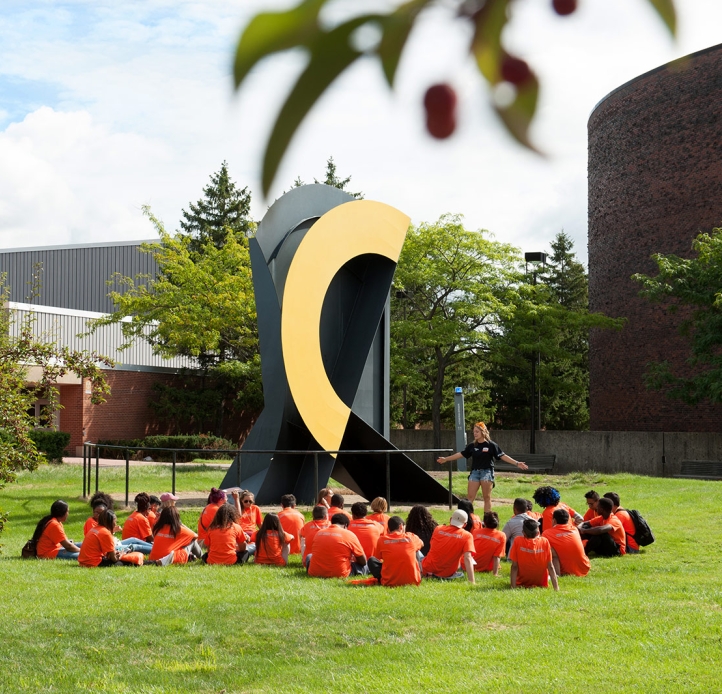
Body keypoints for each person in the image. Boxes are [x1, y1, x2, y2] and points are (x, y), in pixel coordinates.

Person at [436, 422, 528, 512]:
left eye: (477, 431)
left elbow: (502, 455)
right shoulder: (472, 445)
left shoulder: (491, 445)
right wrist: (446, 459)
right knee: (470, 497)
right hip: (475, 473)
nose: (474, 434)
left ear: (483, 432)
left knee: (486, 497)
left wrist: (517, 463)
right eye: (474, 432)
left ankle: (486, 521)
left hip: (487, 473)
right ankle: (467, 519)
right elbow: (461, 454)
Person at [421, 509, 475, 583]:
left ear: (450, 519)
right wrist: (472, 581)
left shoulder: (438, 529)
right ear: (465, 524)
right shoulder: (467, 536)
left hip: (426, 569)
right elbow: (468, 558)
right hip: (447, 574)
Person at [368, 516, 424, 587]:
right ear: (401, 526)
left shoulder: (382, 540)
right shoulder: (411, 537)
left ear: (388, 529)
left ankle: (385, 578)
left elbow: (378, 558)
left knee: (371, 560)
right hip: (413, 581)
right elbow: (422, 544)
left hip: (389, 581)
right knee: (416, 550)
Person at [306, 513, 367, 578]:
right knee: (366, 566)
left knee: (309, 556)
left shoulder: (319, 533)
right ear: (345, 526)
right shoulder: (349, 534)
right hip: (340, 573)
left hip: (315, 572)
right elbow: (363, 562)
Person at [509, 519, 559, 591]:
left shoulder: (518, 541)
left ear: (523, 533)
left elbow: (514, 566)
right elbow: (550, 566)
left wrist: (513, 588)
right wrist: (556, 588)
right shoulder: (544, 541)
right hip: (541, 583)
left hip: (521, 583)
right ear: (538, 532)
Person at [542, 508, 590, 577]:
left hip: (566, 570)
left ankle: (556, 573)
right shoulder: (574, 529)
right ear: (568, 520)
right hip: (584, 567)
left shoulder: (546, 533)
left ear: (554, 520)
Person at [471, 512, 506, 576]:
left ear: (484, 522)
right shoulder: (501, 536)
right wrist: (495, 574)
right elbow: (497, 556)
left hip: (468, 565)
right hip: (483, 566)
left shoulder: (475, 531)